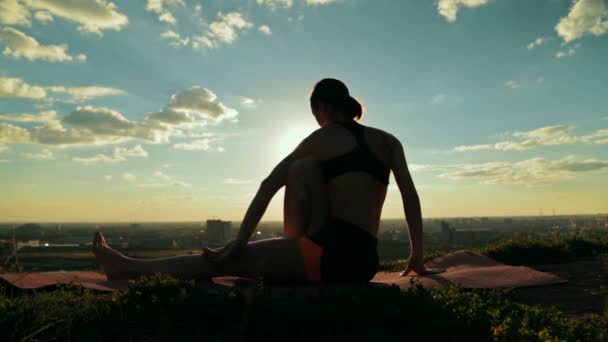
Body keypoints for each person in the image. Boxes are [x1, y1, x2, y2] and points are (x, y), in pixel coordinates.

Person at [92, 78, 444, 283]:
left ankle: (129, 268)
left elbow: (267, 185)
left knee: (225, 263)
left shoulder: (321, 139)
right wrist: (417, 256)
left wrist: (238, 242)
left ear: (321, 107)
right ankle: (294, 247)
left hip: (328, 256)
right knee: (302, 169)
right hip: (363, 259)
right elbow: (410, 198)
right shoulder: (388, 141)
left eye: (315, 113)